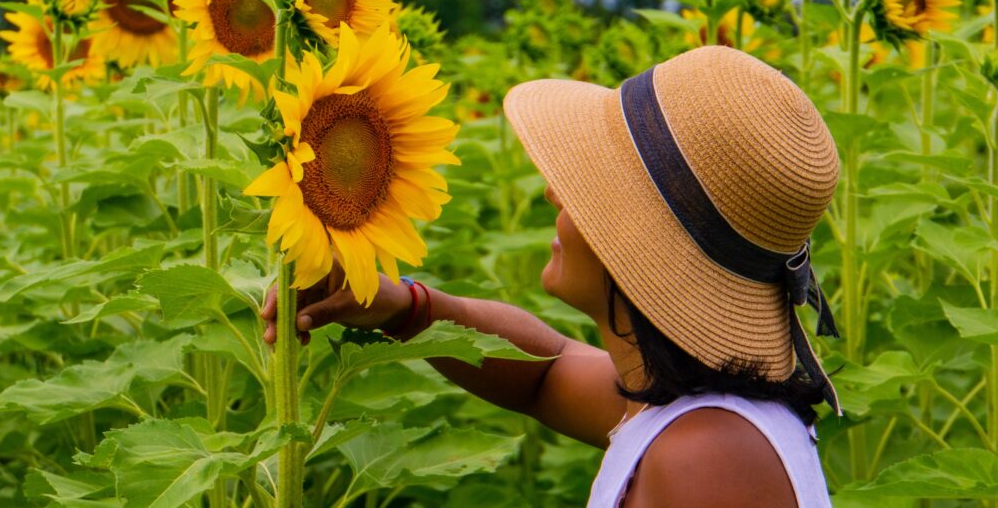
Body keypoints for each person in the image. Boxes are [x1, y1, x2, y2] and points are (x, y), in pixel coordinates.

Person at [261, 45, 841, 507]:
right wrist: (400, 307)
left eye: (589, 192)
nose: (552, 191)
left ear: (636, 245)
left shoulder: (709, 459)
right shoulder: (691, 411)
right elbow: (546, 373)